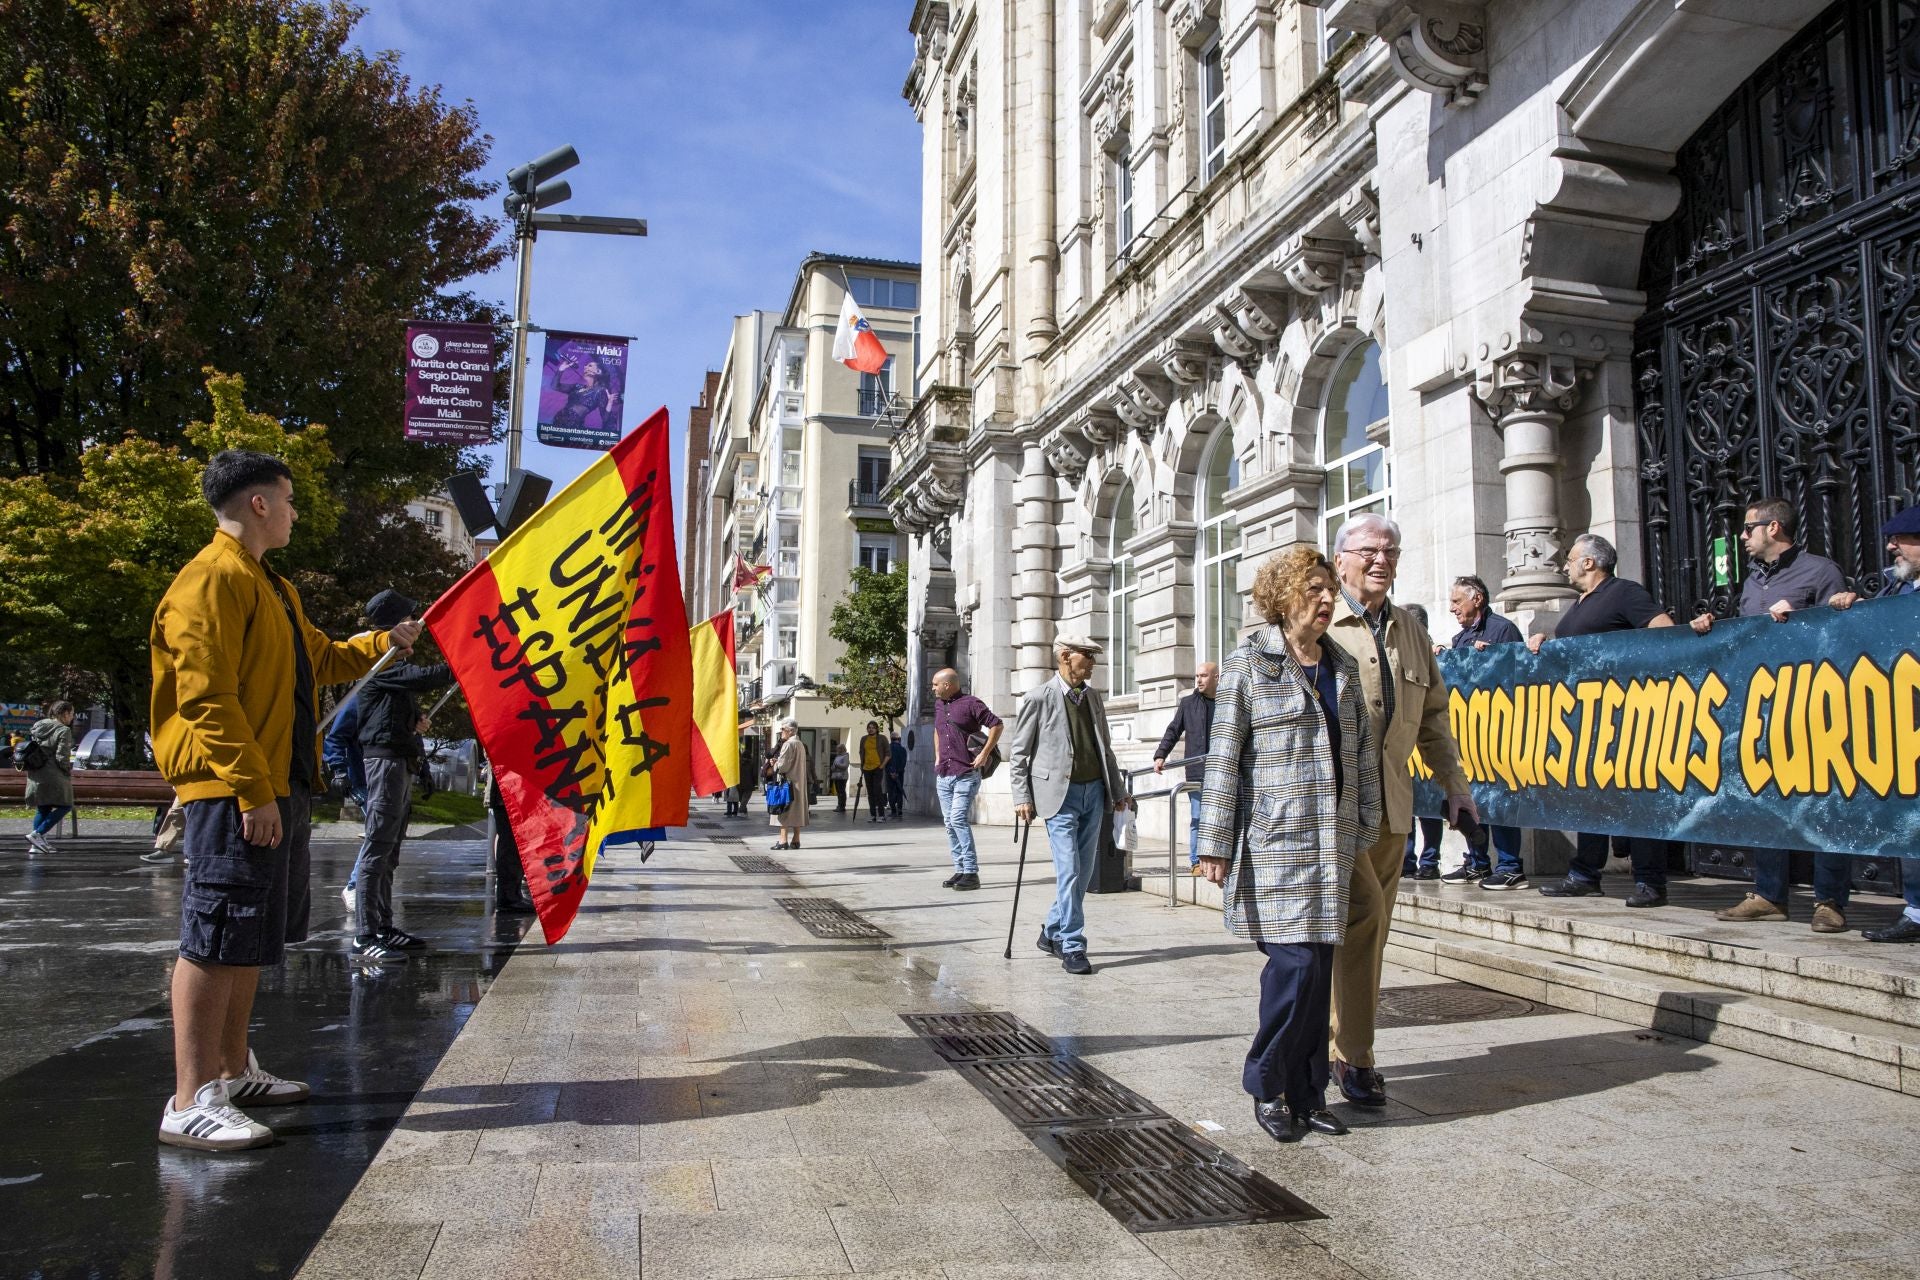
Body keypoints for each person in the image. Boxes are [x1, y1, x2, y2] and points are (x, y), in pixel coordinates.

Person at [150, 449, 412, 1151]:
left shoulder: (271, 586)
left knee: (248, 938)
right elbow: (205, 697)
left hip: (275, 786)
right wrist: (249, 788)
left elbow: (320, 658)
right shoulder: (209, 580)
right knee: (213, 936)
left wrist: (387, 642)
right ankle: (190, 1099)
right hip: (235, 790)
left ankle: (232, 1072)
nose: (296, 512)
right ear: (260, 503)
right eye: (289, 500)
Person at [1196, 547, 1382, 1142]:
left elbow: (1361, 758)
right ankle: (1268, 1083)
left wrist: (1365, 830)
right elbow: (1223, 760)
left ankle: (1308, 1092)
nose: (1328, 600)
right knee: (1294, 966)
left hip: (1332, 843)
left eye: (1331, 589)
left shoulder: (1343, 668)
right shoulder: (1250, 664)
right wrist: (1214, 841)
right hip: (1275, 841)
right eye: (1314, 589)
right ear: (1281, 598)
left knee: (1320, 967)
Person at [1326, 514, 1475, 1110]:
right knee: (1332, 931)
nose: (1380, 561)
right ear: (1340, 560)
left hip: (1392, 809)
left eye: (1391, 552)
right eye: (1368, 552)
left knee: (1369, 936)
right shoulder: (1316, 621)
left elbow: (1433, 718)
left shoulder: (1410, 629)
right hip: (1329, 809)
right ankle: (1322, 1052)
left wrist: (1455, 786)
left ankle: (1351, 1053)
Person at [1691, 499, 1852, 933]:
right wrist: (1714, 626)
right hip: (1760, 708)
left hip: (1812, 706)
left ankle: (1829, 900)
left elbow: (1841, 635)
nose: (1742, 536)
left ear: (1774, 527)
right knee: (1765, 799)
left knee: (1823, 803)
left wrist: (1804, 620)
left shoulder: (1821, 571)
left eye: (1748, 528)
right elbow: (1750, 637)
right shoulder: (1752, 581)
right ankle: (1768, 894)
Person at [1528, 532, 1677, 907]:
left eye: (1571, 559)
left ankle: (1650, 881)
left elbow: (1664, 630)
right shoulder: (1581, 603)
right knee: (1589, 797)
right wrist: (1548, 640)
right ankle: (1585, 875)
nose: (1565, 565)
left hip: (1625, 713)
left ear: (1590, 562)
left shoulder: (1624, 593)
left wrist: (1626, 668)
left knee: (1639, 796)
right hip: (1587, 718)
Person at [1008, 634, 1130, 976]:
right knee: (1071, 870)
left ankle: (1050, 931)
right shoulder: (1039, 698)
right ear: (1065, 656)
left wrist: (1118, 791)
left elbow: (1105, 748)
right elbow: (1019, 754)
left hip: (1094, 791)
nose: (1092, 661)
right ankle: (1073, 944)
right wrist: (1022, 797)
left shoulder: (1092, 697)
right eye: (1086, 655)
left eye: (1093, 656)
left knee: (1084, 872)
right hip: (1057, 797)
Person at [348, 591, 454, 966]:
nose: (417, 626)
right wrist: (463, 659)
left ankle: (384, 926)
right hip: (385, 764)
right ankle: (365, 935)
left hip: (399, 762)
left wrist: (414, 724)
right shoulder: (383, 661)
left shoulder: (391, 664)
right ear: (394, 626)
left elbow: (393, 711)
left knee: (389, 851)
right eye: (412, 619)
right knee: (377, 849)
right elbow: (424, 678)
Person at [1831, 503, 1920, 943]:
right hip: (1902, 725)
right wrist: (1859, 608)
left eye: (1900, 539)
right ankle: (1918, 912)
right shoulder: (1894, 593)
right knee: (1910, 819)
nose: (1891, 547)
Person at [1437, 576, 1529, 890]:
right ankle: (1477, 863)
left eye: (1456, 601)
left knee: (1500, 799)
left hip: (1500, 732)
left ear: (1477, 599)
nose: (1451, 608)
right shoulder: (1459, 639)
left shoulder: (1503, 630)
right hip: (1470, 734)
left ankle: (1510, 866)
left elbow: (1521, 671)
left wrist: (1492, 658)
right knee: (1472, 800)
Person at [931, 667, 1003, 891]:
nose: (932, 688)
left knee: (958, 819)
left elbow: (997, 724)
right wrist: (937, 756)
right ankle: (960, 869)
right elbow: (937, 730)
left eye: (935, 684)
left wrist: (984, 753)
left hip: (966, 772)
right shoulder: (939, 705)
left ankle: (971, 873)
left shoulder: (972, 703)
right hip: (943, 773)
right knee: (949, 823)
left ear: (947, 685)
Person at [1395, 605, 1447, 883]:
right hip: (1404, 743)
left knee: (1429, 807)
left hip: (1427, 744)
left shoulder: (1431, 653)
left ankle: (1429, 860)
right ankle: (1406, 858)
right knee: (1408, 805)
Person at [1152, 661, 1217, 870]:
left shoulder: (1227, 702)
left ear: (1216, 678)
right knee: (1198, 817)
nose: (1199, 680)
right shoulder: (1188, 704)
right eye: (1197, 676)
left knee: (1222, 817)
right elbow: (1173, 730)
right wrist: (1161, 755)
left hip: (1222, 772)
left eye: (1204, 676)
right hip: (1197, 771)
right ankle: (1196, 861)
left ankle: (1220, 859)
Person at [324, 691, 368, 908]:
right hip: (363, 778)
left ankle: (365, 887)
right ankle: (354, 886)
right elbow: (335, 736)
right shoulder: (361, 698)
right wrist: (339, 770)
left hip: (384, 777)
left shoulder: (396, 694)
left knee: (387, 835)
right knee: (378, 833)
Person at [23, 700, 76, 855]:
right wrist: (67, 771)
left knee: (43, 807)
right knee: (66, 805)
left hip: (36, 773)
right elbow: (62, 756)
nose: (72, 717)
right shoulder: (63, 730)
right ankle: (37, 834)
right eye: (72, 713)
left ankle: (36, 845)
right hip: (54, 774)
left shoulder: (38, 726)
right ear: (64, 713)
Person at [770, 718, 811, 850]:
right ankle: (796, 839)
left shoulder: (788, 744)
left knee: (784, 810)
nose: (781, 731)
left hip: (788, 783)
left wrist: (775, 763)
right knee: (797, 811)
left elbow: (782, 766)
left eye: (783, 729)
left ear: (790, 731)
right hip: (799, 782)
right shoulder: (800, 744)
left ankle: (783, 840)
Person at [859, 720, 888, 821]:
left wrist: (882, 766)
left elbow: (888, 754)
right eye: (869, 727)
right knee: (870, 792)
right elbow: (861, 752)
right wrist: (862, 766)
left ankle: (881, 815)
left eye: (873, 727)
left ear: (876, 729)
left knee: (877, 790)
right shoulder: (864, 739)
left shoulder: (882, 738)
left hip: (877, 767)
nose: (870, 729)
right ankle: (873, 815)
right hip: (867, 768)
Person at [885, 731, 907, 818]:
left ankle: (893, 811)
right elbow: (903, 762)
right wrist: (897, 772)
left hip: (890, 774)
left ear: (891, 739)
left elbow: (887, 762)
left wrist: (891, 772)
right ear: (899, 739)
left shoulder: (888, 749)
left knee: (891, 792)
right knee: (899, 791)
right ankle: (900, 810)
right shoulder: (903, 749)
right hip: (899, 774)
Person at [829, 742, 850, 813]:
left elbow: (845, 766)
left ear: (841, 749)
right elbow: (834, 765)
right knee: (838, 792)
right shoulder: (837, 756)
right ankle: (839, 806)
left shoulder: (845, 756)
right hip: (836, 776)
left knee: (841, 792)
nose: (836, 750)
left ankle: (842, 806)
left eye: (838, 749)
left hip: (842, 776)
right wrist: (832, 767)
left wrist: (837, 765)